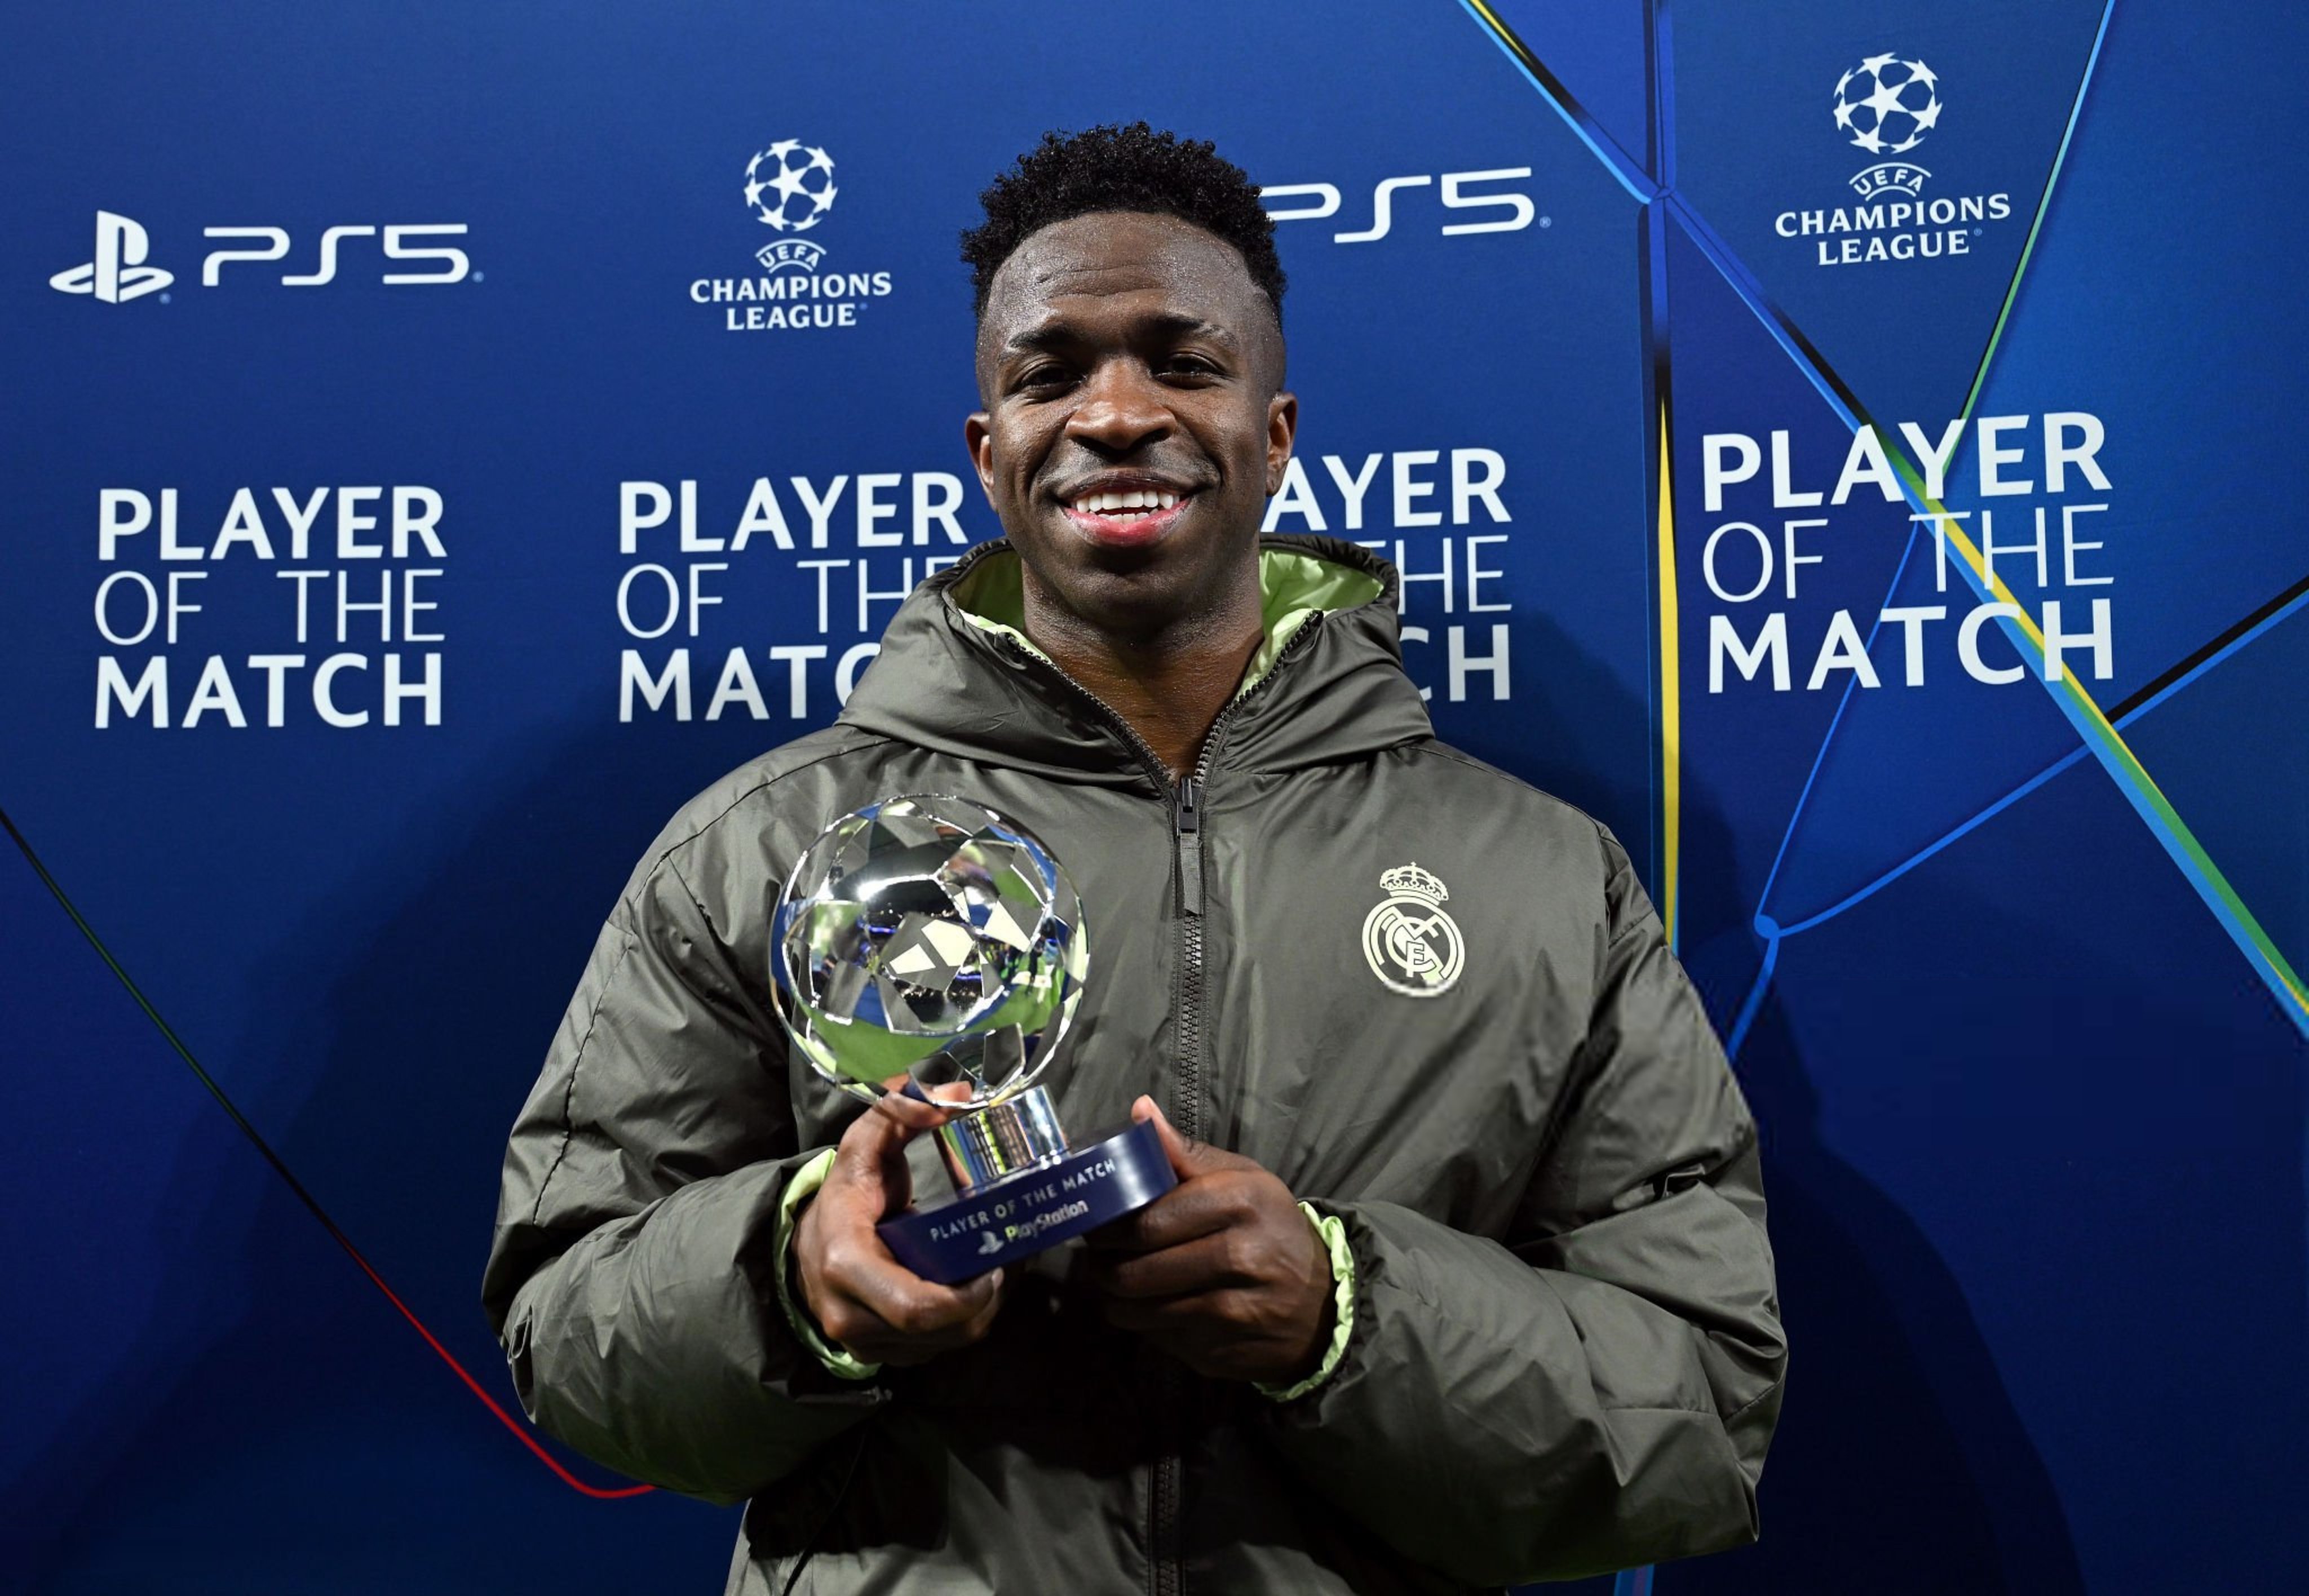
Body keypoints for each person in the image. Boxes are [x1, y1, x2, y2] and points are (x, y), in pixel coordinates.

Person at [483, 122, 1784, 1595]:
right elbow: (564, 1326)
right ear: (990, 451)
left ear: (1274, 434)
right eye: (1051, 374)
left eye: (1183, 361)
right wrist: (789, 1281)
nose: (1114, 413)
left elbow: (1702, 1408)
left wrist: (1347, 1316)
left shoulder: (1544, 877)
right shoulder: (756, 851)